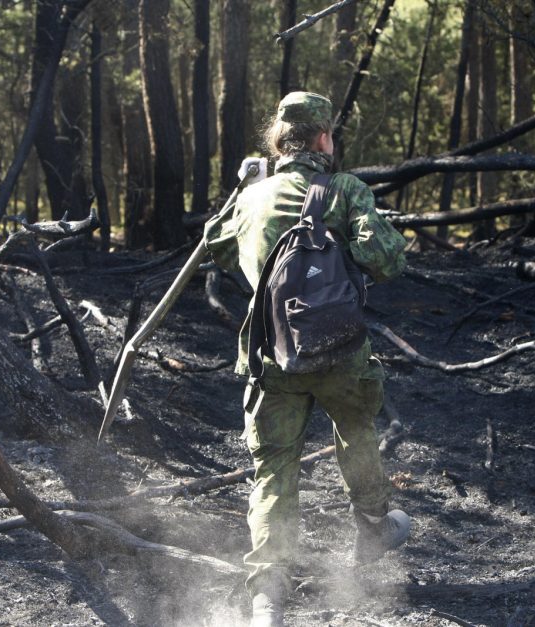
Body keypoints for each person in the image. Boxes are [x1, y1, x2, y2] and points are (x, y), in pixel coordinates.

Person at [204, 91, 410, 627]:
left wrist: (243, 192)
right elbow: (386, 260)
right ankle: (371, 525)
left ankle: (267, 595)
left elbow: (217, 247)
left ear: (279, 142)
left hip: (272, 355)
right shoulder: (345, 191)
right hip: (341, 353)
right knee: (357, 433)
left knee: (273, 471)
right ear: (323, 139)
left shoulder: (252, 199)